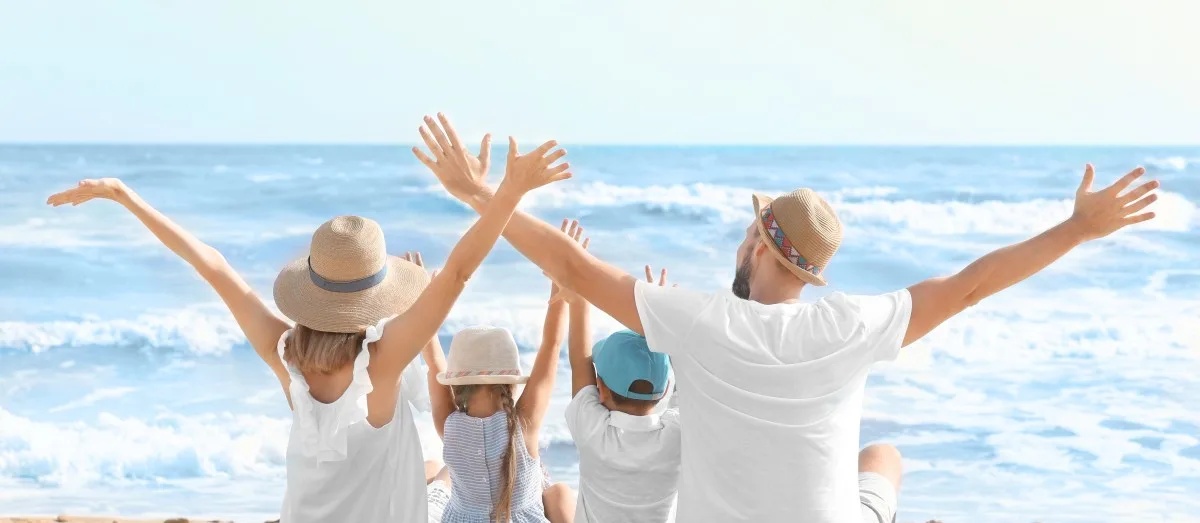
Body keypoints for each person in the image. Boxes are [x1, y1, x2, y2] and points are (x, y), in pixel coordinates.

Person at [414, 115, 1160, 522]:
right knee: (884, 460)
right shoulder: (849, 324)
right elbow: (968, 287)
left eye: (749, 229)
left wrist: (483, 193)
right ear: (811, 269)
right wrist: (1076, 231)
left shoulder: (702, 325)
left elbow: (574, 269)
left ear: (760, 242)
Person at [47, 120, 571, 523]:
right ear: (376, 296)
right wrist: (507, 193)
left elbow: (212, 265)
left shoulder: (285, 358)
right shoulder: (380, 366)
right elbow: (456, 273)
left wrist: (124, 196)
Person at [420, 219, 585, 523]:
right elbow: (552, 344)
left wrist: (424, 303)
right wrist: (562, 280)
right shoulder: (524, 424)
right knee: (558, 490)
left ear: (456, 387)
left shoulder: (451, 427)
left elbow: (433, 364)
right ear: (510, 384)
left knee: (436, 470)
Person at [558, 251, 682, 523]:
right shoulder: (677, 436)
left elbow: (580, 363)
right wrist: (660, 317)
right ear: (663, 391)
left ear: (600, 388)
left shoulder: (593, 432)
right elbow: (689, 378)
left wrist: (577, 300)